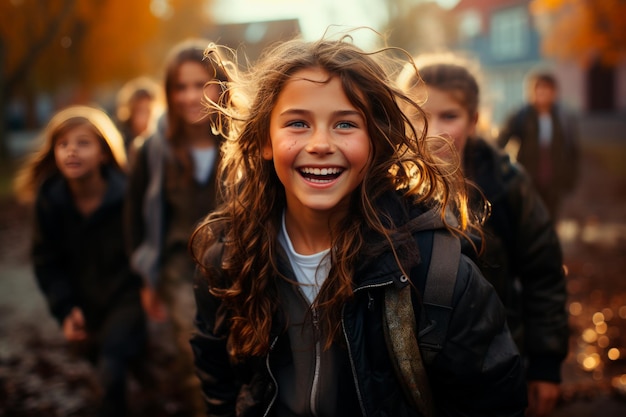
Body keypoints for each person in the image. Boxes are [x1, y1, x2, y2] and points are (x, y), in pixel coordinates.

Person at [189, 35, 528, 416]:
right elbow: (220, 381)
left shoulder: (434, 270)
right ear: (266, 140)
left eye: (345, 124)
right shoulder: (230, 262)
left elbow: (493, 398)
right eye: (298, 123)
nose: (320, 143)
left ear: (375, 142)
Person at [398, 54, 569, 417]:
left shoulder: (508, 185)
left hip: (497, 358)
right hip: (410, 372)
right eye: (419, 114)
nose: (432, 130)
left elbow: (544, 276)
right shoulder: (387, 187)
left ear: (473, 120)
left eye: (449, 116)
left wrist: (545, 365)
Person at [13, 105, 148, 417]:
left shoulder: (128, 196)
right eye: (63, 145)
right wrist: (65, 309)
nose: (72, 151)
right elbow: (45, 261)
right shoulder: (49, 202)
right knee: (101, 359)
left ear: (103, 153)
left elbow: (145, 248)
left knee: (112, 363)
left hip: (126, 297)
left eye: (83, 143)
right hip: (82, 300)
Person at [125, 38, 227, 416]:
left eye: (202, 84)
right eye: (180, 87)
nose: (191, 96)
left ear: (221, 84)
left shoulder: (243, 141)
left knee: (242, 355)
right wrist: (147, 280)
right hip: (179, 270)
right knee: (195, 359)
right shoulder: (152, 149)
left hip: (238, 268)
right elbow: (136, 217)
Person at [496, 70, 580, 221]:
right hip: (529, 176)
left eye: (546, 89)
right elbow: (502, 140)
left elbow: (572, 150)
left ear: (554, 92)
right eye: (538, 89)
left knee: (551, 216)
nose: (542, 93)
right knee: (529, 216)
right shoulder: (522, 115)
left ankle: (548, 243)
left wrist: (570, 178)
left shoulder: (562, 118)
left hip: (555, 178)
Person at [114, 76, 162, 159]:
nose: (146, 117)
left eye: (149, 111)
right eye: (140, 111)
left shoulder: (160, 140)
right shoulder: (119, 140)